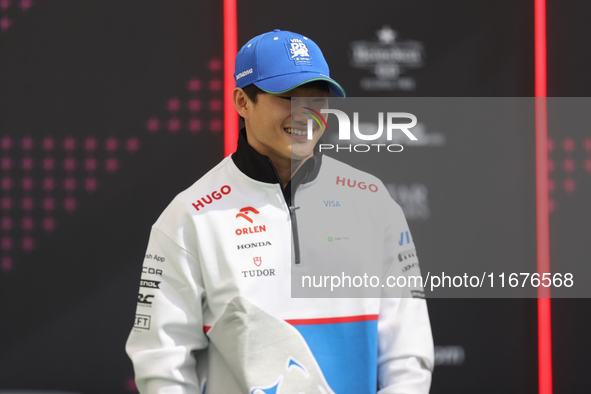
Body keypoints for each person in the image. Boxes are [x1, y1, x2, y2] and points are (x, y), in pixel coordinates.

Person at [126, 29, 434, 393]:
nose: (305, 114)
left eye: (317, 99)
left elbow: (407, 355)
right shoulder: (189, 216)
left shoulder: (372, 202)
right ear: (242, 102)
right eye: (288, 97)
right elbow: (163, 364)